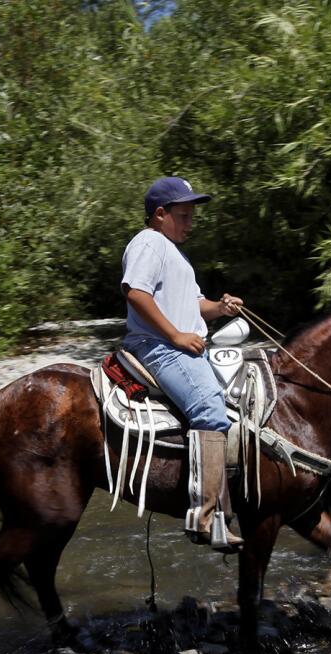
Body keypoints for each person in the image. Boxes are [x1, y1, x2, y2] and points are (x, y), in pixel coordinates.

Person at [121, 177, 244, 551]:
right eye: (184, 215)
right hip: (159, 347)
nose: (191, 223)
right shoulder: (149, 242)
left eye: (192, 216)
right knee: (210, 408)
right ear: (160, 215)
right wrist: (175, 335)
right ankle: (205, 517)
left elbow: (195, 306)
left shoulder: (175, 252)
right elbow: (135, 292)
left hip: (183, 346)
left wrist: (219, 309)